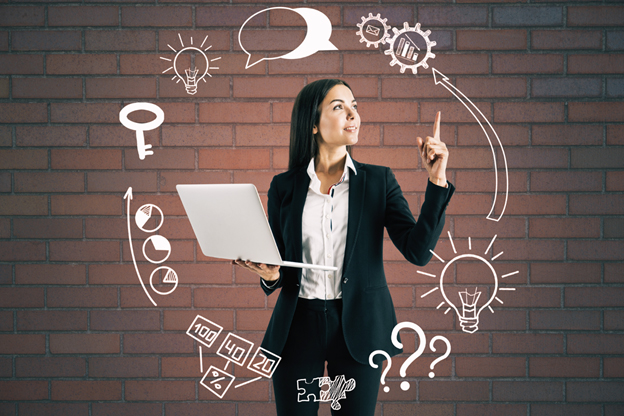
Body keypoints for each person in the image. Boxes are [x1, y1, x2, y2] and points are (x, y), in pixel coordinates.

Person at [233, 79, 454, 415]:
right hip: (296, 326)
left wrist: (436, 181)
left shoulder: (378, 181)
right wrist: (269, 274)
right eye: (339, 107)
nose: (353, 114)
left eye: (355, 106)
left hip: (360, 327)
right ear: (313, 124)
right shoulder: (284, 186)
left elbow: (418, 251)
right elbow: (277, 265)